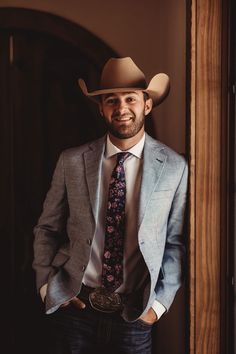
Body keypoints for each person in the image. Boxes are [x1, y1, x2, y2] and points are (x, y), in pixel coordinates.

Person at [33, 57, 188, 354]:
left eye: (130, 98)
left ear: (147, 105)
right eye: (111, 100)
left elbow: (175, 244)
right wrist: (46, 288)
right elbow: (47, 228)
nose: (121, 108)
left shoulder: (174, 168)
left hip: (134, 316)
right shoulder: (72, 161)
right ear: (101, 108)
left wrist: (157, 307)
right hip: (74, 309)